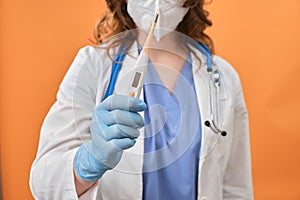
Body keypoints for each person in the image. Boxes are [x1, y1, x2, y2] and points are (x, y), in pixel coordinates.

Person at [30, 0, 253, 199]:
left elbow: (236, 189)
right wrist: (88, 162)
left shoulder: (222, 77)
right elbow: (43, 183)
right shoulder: (92, 67)